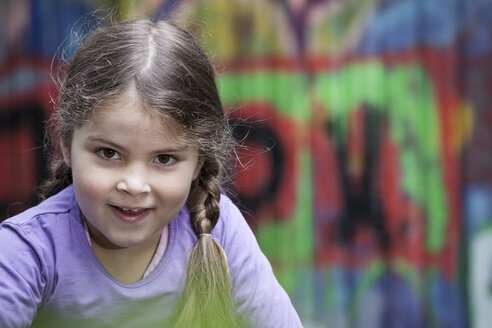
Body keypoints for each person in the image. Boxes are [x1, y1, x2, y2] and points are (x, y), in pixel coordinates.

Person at [0, 18, 303, 328]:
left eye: (164, 158)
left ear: (199, 161)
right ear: (66, 145)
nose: (134, 185)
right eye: (108, 153)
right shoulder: (25, 253)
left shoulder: (219, 230)